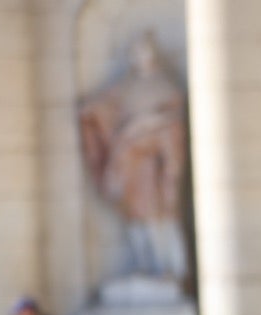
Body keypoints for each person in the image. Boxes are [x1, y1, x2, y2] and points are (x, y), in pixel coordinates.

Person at [77, 31, 189, 280]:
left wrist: (144, 126)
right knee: (134, 218)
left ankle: (169, 267)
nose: (139, 56)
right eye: (136, 52)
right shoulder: (127, 87)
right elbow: (104, 107)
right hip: (128, 163)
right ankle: (146, 264)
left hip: (152, 163)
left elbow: (173, 123)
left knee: (158, 216)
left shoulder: (164, 87)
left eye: (144, 50)